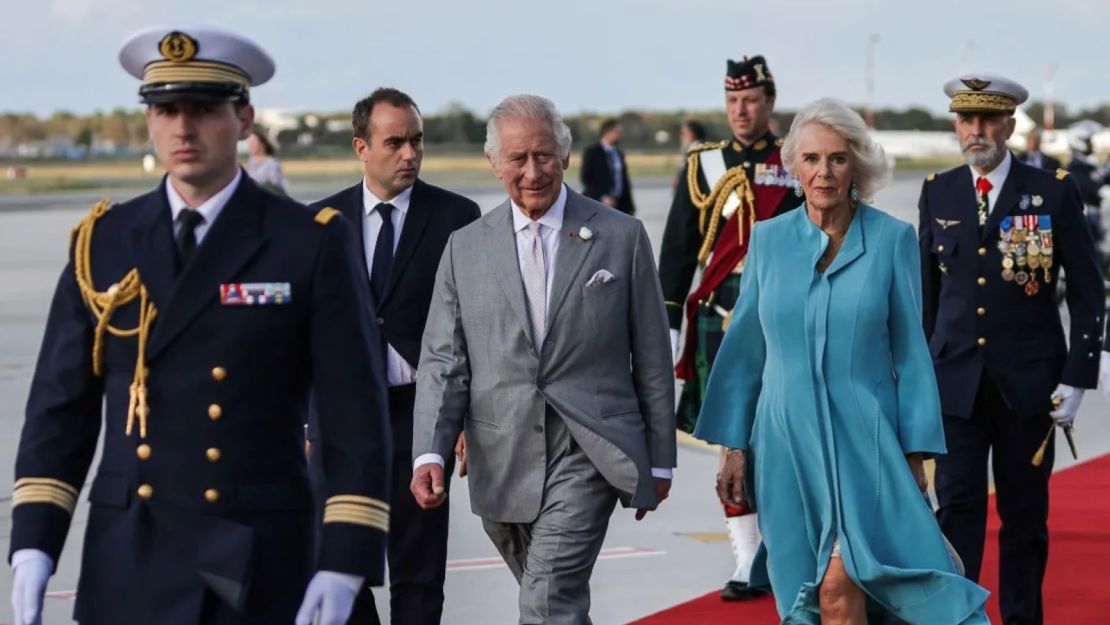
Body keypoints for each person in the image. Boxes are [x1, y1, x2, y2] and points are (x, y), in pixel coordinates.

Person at [7, 27, 392, 625]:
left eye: (204, 110)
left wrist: (345, 559)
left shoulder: (305, 242)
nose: (183, 129)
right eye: (166, 110)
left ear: (243, 118)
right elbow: (60, 410)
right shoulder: (104, 243)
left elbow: (354, 416)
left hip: (257, 560)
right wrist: (35, 541)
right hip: (130, 562)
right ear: (150, 122)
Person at [696, 98, 991, 624]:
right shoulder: (767, 241)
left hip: (866, 445)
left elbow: (910, 351)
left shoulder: (891, 240)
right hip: (784, 446)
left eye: (836, 158)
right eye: (810, 159)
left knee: (840, 585)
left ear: (857, 164)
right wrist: (732, 448)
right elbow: (744, 351)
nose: (823, 172)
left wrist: (915, 453)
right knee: (805, 597)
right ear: (793, 166)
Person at [410, 94, 676, 624]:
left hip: (589, 448)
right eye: (517, 158)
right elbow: (444, 360)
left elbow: (651, 355)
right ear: (494, 163)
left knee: (547, 598)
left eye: (544, 155)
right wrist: (430, 453)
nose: (532, 172)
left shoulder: (620, 237)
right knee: (555, 600)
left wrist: (660, 455)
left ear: (566, 156)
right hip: (500, 456)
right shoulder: (465, 248)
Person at [920, 74, 1105, 625]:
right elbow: (927, 296)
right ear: (956, 124)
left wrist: (1078, 377)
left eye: (987, 119)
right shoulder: (939, 190)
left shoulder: (1052, 190)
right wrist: (918, 375)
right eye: (966, 119)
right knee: (956, 511)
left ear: (1010, 124)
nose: (976, 131)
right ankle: (958, 616)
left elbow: (1091, 293)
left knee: (1025, 518)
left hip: (1030, 387)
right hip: (955, 384)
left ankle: (1023, 619)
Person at [307, 87, 480, 625]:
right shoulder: (319, 222)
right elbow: (300, 335)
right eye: (395, 142)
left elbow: (476, 327)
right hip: (341, 418)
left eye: (417, 141)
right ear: (362, 147)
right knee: (335, 558)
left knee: (419, 564)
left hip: (420, 416)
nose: (410, 154)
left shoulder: (457, 216)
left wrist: (465, 419)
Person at [657, 55, 799, 601]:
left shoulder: (796, 158)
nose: (741, 111)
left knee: (784, 438)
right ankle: (745, 557)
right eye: (732, 101)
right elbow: (677, 248)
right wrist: (670, 319)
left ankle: (782, 549)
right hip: (722, 319)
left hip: (781, 319)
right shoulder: (704, 165)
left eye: (751, 101)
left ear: (769, 102)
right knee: (730, 438)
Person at [580, 118, 635, 214]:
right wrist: (602, 197)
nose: (620, 135)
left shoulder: (618, 153)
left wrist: (630, 206)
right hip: (598, 204)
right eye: (617, 132)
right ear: (606, 132)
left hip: (620, 205)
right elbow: (586, 178)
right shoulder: (592, 151)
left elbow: (623, 180)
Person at [245, 128, 288, 194]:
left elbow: (275, 187)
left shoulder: (271, 163)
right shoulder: (251, 161)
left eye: (253, 143)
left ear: (262, 145)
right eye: (249, 143)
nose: (250, 146)